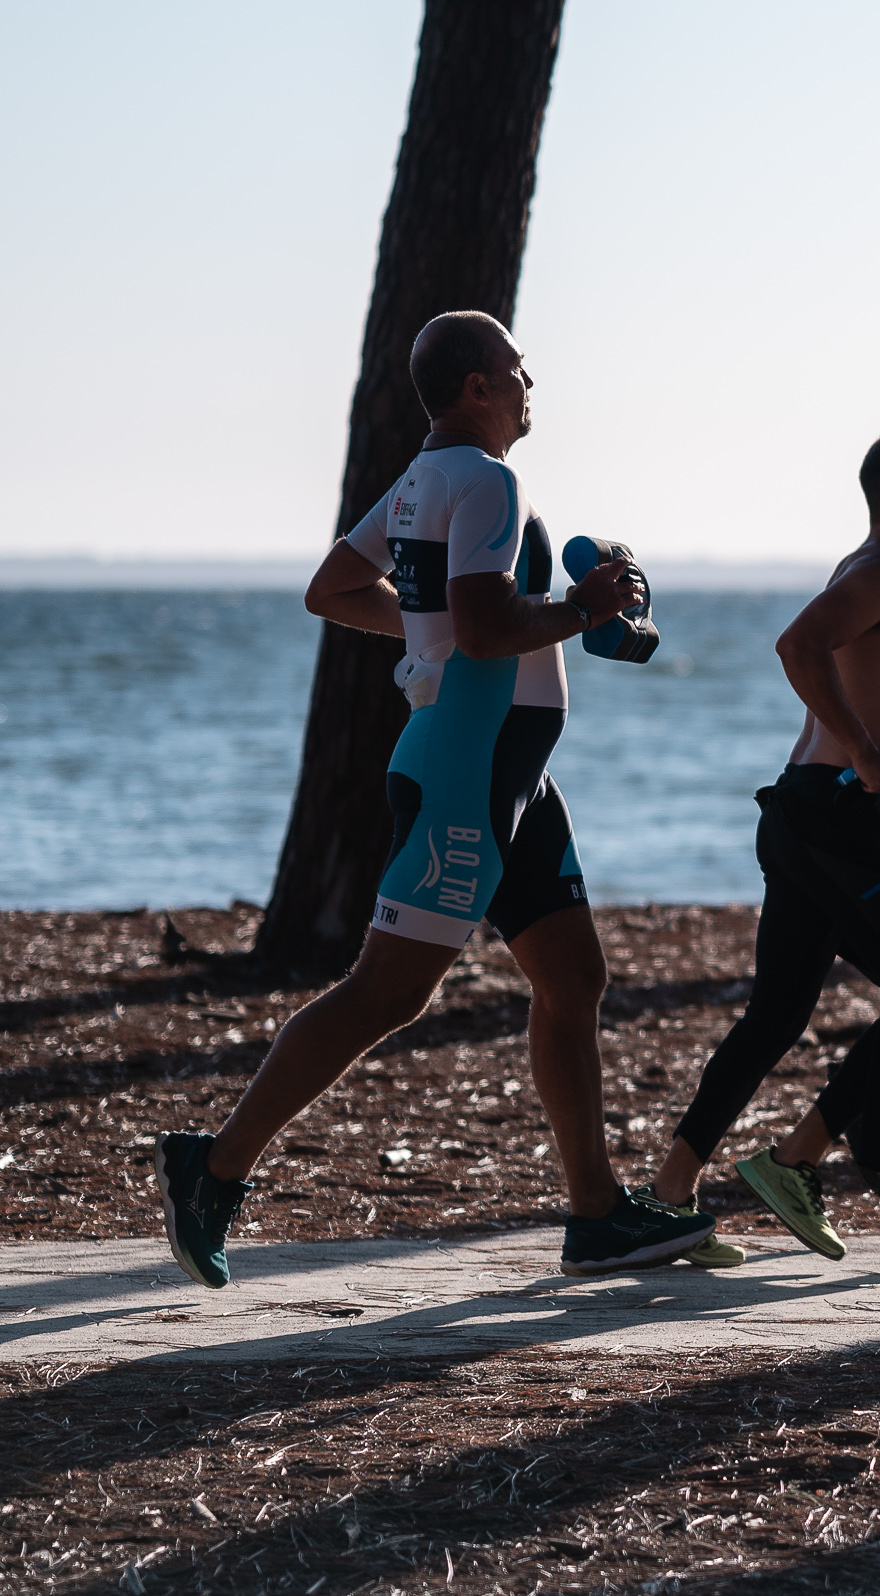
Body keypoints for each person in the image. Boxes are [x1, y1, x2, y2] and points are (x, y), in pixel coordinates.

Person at [155, 312, 714, 1287]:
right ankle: (214, 1164)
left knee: (573, 977)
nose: (529, 378)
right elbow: (489, 626)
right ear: (474, 389)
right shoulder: (489, 480)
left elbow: (333, 589)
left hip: (514, 780)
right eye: (514, 367)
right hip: (467, 770)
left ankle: (594, 1213)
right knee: (388, 991)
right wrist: (587, 609)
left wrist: (424, 637)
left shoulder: (423, 480)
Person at [643, 422, 880, 1263]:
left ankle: (672, 1194)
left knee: (775, 1016)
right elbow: (797, 646)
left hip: (811, 817)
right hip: (830, 818)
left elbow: (863, 680)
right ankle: (798, 1160)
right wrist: (871, 751)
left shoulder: (878, 572)